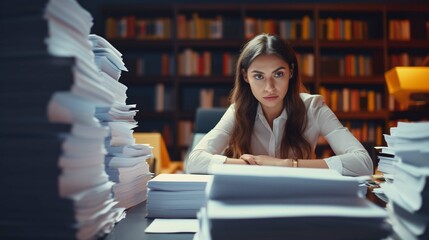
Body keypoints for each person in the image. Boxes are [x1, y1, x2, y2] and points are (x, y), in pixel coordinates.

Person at [185, 33, 373, 176]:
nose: (269, 87)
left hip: (300, 198)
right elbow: (194, 162)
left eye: (278, 74)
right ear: (245, 77)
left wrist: (283, 164)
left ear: (291, 72)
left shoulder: (314, 108)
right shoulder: (238, 111)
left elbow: (363, 163)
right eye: (259, 76)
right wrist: (258, 164)